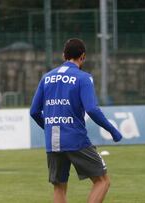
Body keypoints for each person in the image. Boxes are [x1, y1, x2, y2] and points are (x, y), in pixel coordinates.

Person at [30, 38, 122, 203]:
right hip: (75, 139)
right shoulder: (83, 78)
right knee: (102, 181)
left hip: (53, 141)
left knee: (59, 186)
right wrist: (112, 130)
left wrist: (49, 127)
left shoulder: (46, 78)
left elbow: (34, 111)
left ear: (64, 55)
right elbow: (92, 109)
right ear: (83, 57)